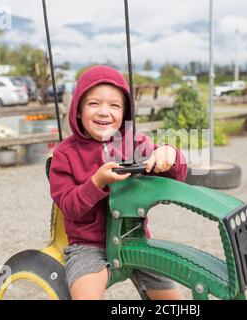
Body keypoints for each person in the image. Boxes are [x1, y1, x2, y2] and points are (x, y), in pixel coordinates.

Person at [49, 65, 187, 300]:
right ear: (78, 110)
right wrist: (97, 182)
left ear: (125, 113)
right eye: (94, 103)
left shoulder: (134, 142)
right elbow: (69, 207)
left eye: (114, 105)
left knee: (174, 302)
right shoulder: (65, 154)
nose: (104, 112)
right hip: (88, 247)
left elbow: (177, 175)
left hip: (136, 239)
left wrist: (169, 154)